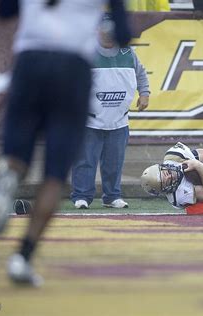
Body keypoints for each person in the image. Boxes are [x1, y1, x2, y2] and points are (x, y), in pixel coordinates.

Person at [0, 0, 131, 287]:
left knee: (18, 155)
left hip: (30, 59)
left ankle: (9, 177)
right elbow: (124, 33)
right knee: (54, 175)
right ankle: (23, 257)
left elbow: (3, 11)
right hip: (72, 67)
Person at [71, 15, 150, 210]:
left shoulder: (128, 52)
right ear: (97, 30)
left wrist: (145, 93)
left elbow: (140, 73)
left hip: (119, 121)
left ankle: (112, 196)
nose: (108, 36)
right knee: (84, 161)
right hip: (89, 120)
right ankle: (81, 196)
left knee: (114, 163)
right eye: (104, 32)